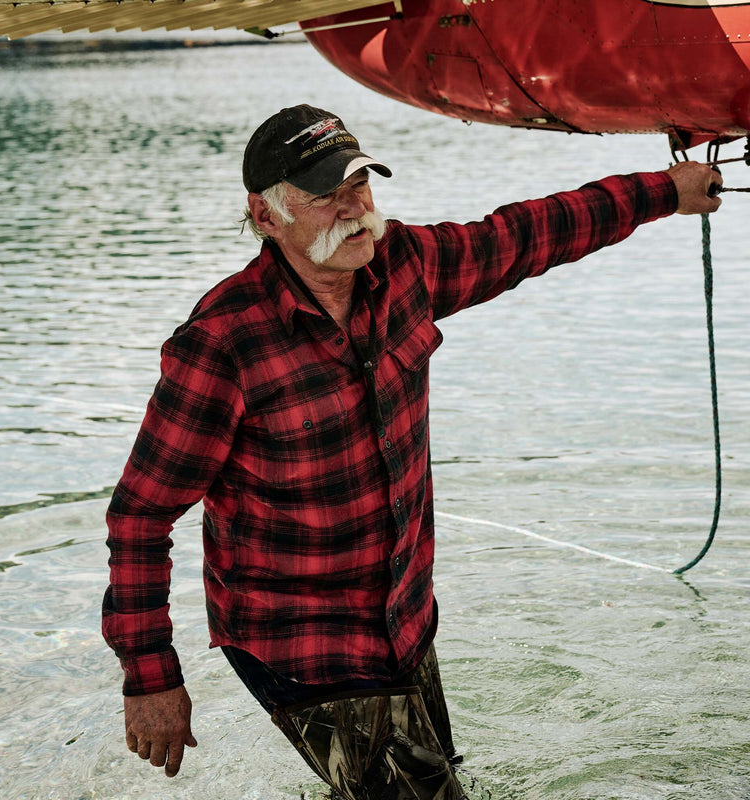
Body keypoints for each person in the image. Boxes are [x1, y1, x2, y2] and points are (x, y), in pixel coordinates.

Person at [102, 103, 721, 796]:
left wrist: (667, 192)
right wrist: (150, 678)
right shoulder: (222, 343)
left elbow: (528, 233)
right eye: (326, 195)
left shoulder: (406, 268)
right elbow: (139, 517)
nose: (353, 207)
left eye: (359, 185)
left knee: (444, 783)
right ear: (267, 215)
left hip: (403, 619)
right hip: (299, 641)